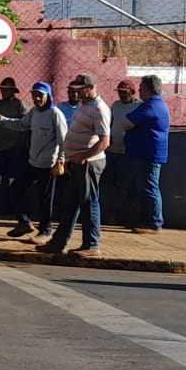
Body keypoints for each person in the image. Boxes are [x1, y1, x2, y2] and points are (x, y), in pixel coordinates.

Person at [38, 73, 110, 258]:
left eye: (80, 89)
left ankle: (92, 245)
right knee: (69, 204)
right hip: (76, 163)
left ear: (90, 87)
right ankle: (58, 242)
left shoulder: (99, 109)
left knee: (89, 203)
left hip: (89, 163)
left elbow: (104, 141)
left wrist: (83, 156)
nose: (76, 93)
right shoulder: (83, 105)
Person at [0, 81, 68, 240]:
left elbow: (63, 140)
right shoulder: (34, 112)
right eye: (34, 95)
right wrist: (0, 119)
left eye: (40, 95)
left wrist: (60, 161)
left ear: (48, 96)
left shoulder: (55, 114)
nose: (36, 98)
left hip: (49, 165)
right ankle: (24, 222)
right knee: (15, 189)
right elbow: (21, 125)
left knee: (45, 198)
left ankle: (45, 231)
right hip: (32, 162)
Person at [122, 74, 171, 233]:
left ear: (149, 90)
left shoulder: (150, 106)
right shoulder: (156, 105)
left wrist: (131, 127)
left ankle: (154, 223)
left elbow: (128, 121)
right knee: (146, 188)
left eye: (142, 88)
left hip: (147, 155)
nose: (140, 92)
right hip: (145, 154)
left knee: (150, 188)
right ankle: (147, 220)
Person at [0, 78, 30, 218]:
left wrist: (20, 146)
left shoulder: (20, 105)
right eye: (1, 90)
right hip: (0, 148)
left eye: (5, 90)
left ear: (12, 90)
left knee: (13, 181)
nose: (3, 92)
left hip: (15, 149)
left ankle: (11, 208)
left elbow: (25, 127)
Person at [102, 80, 140, 221]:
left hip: (127, 153)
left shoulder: (139, 106)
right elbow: (110, 122)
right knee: (106, 181)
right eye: (119, 92)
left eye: (124, 92)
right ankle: (103, 212)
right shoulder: (116, 105)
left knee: (124, 184)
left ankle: (116, 213)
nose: (121, 95)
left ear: (132, 91)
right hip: (111, 150)